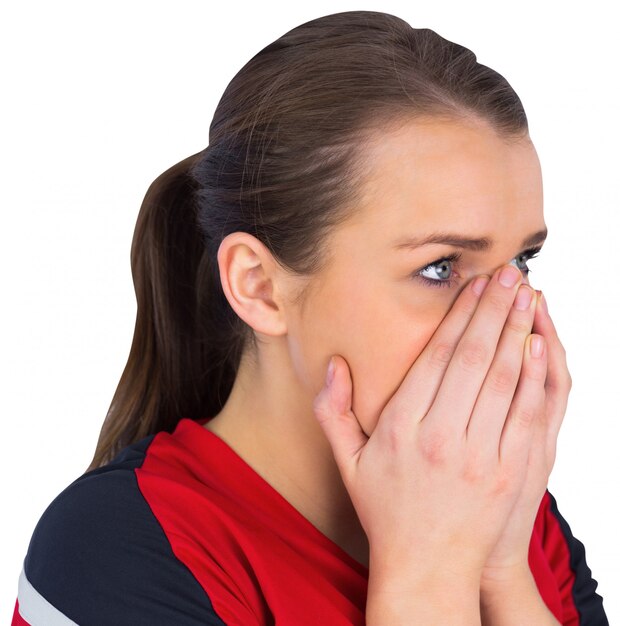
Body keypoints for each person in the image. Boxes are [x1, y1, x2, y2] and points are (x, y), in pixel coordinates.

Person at [12, 9, 608, 626]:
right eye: (441, 267)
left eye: (522, 261)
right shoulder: (110, 552)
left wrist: (501, 570)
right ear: (259, 287)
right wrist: (428, 573)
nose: (513, 320)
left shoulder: (510, 512)